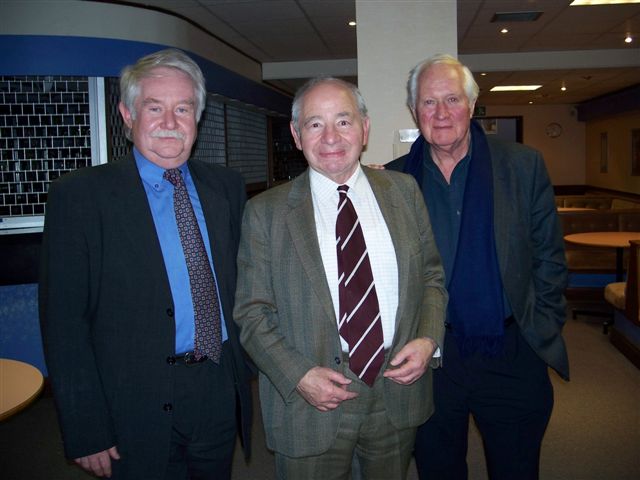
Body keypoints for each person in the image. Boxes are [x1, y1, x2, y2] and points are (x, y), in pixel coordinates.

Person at [39, 49, 252, 479]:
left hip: (216, 385)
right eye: (155, 108)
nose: (170, 123)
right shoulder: (80, 197)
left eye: (183, 108)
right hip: (131, 401)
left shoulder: (226, 187)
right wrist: (86, 426)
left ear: (198, 116)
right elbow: (64, 323)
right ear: (127, 114)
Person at [233, 76, 447, 480]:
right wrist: (298, 375)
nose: (330, 136)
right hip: (310, 400)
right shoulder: (265, 212)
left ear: (365, 129)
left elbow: (432, 278)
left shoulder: (404, 192)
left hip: (395, 391)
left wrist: (428, 339)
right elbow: (252, 313)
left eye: (344, 121)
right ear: (297, 135)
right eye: (315, 123)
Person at [387, 54, 569, 480]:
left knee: (516, 467)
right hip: (429, 359)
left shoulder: (522, 166)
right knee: (438, 468)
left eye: (452, 99)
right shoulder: (394, 182)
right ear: (415, 111)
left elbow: (550, 259)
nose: (442, 113)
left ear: (472, 104)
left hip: (510, 351)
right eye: (429, 103)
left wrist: (540, 325)